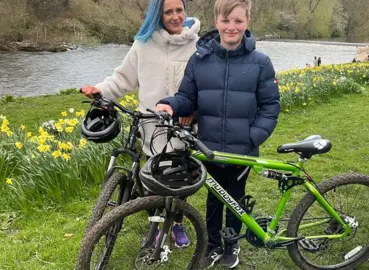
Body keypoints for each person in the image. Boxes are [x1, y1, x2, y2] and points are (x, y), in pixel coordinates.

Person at [156, 0, 280, 268]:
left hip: (242, 150)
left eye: (238, 21)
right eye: (226, 21)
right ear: (216, 22)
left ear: (247, 22)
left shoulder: (261, 63)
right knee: (214, 199)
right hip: (209, 146)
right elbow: (187, 98)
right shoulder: (200, 59)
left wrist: (253, 136)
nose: (231, 27)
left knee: (235, 200)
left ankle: (232, 245)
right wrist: (171, 104)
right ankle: (213, 246)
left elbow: (271, 106)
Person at [80, 0, 201, 248]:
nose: (176, 16)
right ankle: (155, 224)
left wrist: (194, 111)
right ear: (158, 14)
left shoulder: (196, 46)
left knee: (178, 180)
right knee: (150, 181)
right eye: (169, 11)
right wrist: (100, 91)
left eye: (179, 10)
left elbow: (205, 86)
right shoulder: (143, 45)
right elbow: (122, 79)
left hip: (180, 127)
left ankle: (176, 223)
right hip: (150, 127)